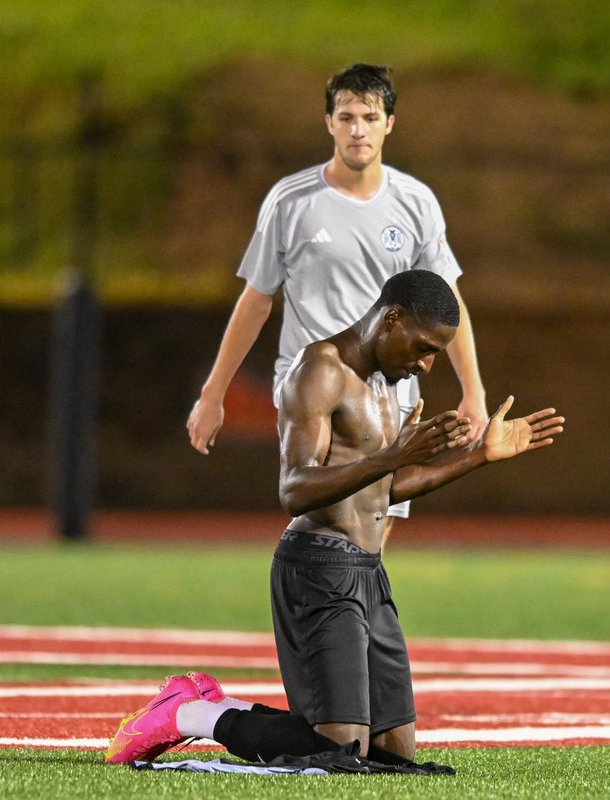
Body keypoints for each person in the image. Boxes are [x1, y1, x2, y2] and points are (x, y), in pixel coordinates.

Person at [108, 270, 564, 766]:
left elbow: (384, 490)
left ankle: (210, 710)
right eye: (424, 346)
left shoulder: (387, 383)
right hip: (318, 566)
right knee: (338, 749)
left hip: (369, 570)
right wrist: (388, 458)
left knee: (394, 756)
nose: (429, 364)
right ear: (391, 319)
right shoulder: (321, 368)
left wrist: (478, 456)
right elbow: (294, 488)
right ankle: (189, 715)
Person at [186, 63, 489, 544]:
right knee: (321, 518)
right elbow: (257, 300)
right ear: (329, 122)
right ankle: (325, 614)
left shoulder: (416, 203)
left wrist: (474, 391)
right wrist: (213, 392)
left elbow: (446, 299)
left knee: (369, 538)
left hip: (390, 391)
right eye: (346, 116)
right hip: (316, 387)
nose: (357, 129)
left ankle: (348, 616)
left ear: (389, 123)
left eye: (369, 117)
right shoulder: (291, 201)